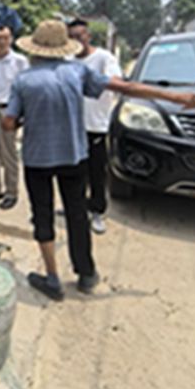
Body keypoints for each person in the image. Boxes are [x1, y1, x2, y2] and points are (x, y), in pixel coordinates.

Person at [4, 20, 195, 300]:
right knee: (77, 213)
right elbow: (125, 87)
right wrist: (173, 96)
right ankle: (85, 274)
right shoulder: (77, 71)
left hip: (38, 159)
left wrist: (22, 119)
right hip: (74, 155)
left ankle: (52, 279)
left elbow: (9, 122)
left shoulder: (24, 80)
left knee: (43, 214)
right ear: (64, 48)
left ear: (34, 49)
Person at [66, 18, 122, 235]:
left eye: (80, 36)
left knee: (96, 172)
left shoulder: (104, 58)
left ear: (88, 36)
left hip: (96, 125)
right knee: (75, 172)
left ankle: (97, 211)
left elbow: (114, 80)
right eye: (72, 37)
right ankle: (79, 207)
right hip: (73, 127)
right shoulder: (68, 61)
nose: (77, 41)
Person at [0, 25, 29, 210]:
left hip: (8, 111)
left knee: (8, 154)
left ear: (11, 39)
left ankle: (12, 192)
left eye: (6, 37)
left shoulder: (20, 61)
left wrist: (20, 115)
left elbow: (24, 89)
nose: (3, 41)